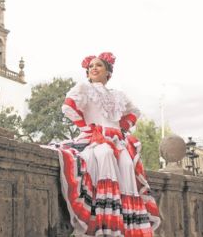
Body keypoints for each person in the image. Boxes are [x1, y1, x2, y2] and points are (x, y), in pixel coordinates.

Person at [56, 52, 160, 236]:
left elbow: (134, 111)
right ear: (87, 74)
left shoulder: (118, 95)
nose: (93, 68)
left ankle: (128, 225)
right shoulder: (84, 89)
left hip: (118, 140)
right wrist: (88, 129)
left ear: (108, 73)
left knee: (128, 164)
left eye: (99, 65)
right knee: (105, 154)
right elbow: (68, 107)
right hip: (95, 139)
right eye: (90, 67)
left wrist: (122, 127)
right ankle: (104, 224)